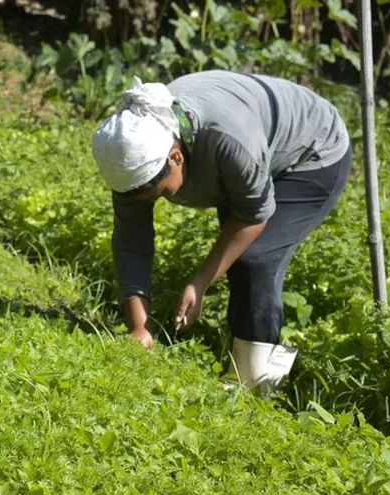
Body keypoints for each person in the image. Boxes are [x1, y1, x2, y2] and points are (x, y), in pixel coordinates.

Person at [91, 71, 351, 391]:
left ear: (176, 157)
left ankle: (256, 383)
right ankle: (244, 359)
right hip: (253, 151)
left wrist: (199, 283)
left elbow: (254, 214)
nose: (156, 200)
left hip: (311, 153)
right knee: (237, 256)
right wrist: (139, 328)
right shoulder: (130, 156)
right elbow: (132, 241)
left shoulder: (226, 139)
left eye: (160, 192)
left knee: (254, 258)